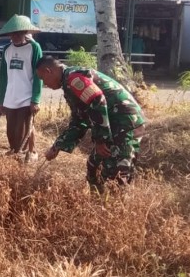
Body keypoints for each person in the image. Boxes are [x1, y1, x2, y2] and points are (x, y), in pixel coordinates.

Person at [36, 55, 146, 188]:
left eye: (43, 79)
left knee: (115, 174)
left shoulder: (73, 78)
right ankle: (97, 200)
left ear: (49, 71)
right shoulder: (68, 83)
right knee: (93, 166)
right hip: (114, 124)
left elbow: (97, 100)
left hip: (125, 123)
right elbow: (79, 121)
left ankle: (113, 204)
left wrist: (101, 140)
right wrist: (57, 146)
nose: (45, 84)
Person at [0, 14, 43, 161]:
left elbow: (38, 75)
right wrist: (0, 101)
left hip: (26, 96)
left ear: (25, 32)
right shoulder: (7, 49)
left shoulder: (34, 47)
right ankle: (14, 151)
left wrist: (35, 99)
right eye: (13, 33)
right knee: (11, 130)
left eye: (19, 33)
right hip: (10, 96)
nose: (15, 36)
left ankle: (31, 151)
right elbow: (3, 76)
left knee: (25, 127)